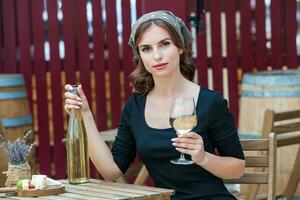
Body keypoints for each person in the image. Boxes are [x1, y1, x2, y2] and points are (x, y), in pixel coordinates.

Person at [64, 10, 245, 200]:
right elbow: (111, 171)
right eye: (146, 49)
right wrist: (85, 114)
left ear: (180, 47)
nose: (156, 56)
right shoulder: (135, 107)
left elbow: (238, 168)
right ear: (140, 56)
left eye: (164, 44)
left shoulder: (210, 102)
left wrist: (203, 158)